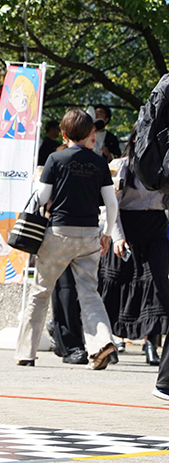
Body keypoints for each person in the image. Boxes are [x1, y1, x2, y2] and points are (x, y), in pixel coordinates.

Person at [16, 109, 119, 369]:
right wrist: (106, 234)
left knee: (40, 293)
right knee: (90, 294)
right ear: (89, 134)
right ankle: (102, 343)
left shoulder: (55, 158)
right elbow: (110, 203)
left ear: (63, 134)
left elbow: (40, 197)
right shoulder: (98, 162)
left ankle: (26, 353)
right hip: (89, 236)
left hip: (59, 233)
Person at [98, 127, 169, 371]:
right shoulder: (121, 165)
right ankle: (113, 341)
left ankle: (151, 342)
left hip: (156, 226)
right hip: (127, 226)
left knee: (157, 283)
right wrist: (116, 237)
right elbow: (111, 206)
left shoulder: (164, 165)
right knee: (117, 284)